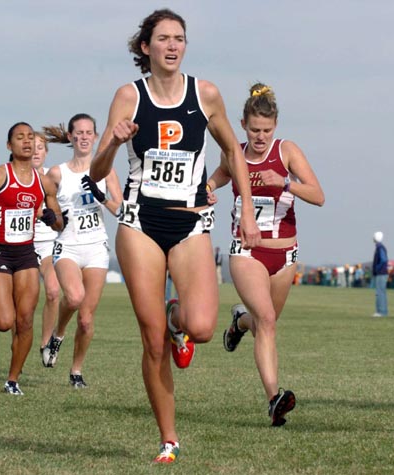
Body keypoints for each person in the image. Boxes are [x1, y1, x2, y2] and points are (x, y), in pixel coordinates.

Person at [88, 9, 261, 463]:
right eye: (163, 38)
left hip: (190, 222)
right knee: (150, 338)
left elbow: (232, 151)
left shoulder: (205, 94)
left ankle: (177, 319)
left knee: (201, 326)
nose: (172, 46)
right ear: (145, 47)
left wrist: (244, 209)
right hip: (140, 223)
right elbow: (98, 170)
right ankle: (169, 438)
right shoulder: (128, 96)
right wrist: (112, 140)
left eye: (179, 38)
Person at [205, 83, 325, 426]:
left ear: (276, 127)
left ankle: (238, 323)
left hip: (284, 254)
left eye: (267, 131)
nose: (260, 137)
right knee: (268, 321)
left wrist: (284, 182)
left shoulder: (287, 152)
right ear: (243, 125)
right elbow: (222, 175)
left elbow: (318, 196)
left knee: (262, 323)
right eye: (255, 130)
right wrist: (210, 189)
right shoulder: (234, 152)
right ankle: (274, 399)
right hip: (246, 252)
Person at [0, 122, 64, 395]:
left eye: (30, 137)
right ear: (10, 145)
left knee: (25, 320)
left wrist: (53, 219)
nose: (27, 142)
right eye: (20, 138)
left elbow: (59, 222)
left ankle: (12, 379)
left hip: (27, 253)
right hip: (0, 252)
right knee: (5, 322)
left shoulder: (44, 183)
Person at [39, 114, 122, 389]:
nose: (84, 137)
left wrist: (101, 197)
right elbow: (42, 206)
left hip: (96, 247)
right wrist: (48, 216)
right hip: (68, 245)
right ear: (72, 137)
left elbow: (121, 210)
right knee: (73, 298)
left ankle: (76, 371)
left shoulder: (107, 170)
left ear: (96, 137)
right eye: (79, 132)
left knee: (86, 321)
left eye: (89, 132)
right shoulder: (57, 173)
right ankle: (57, 335)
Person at [31, 133, 63, 368]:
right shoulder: (11, 177)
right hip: (21, 245)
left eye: (40, 147)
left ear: (46, 152)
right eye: (31, 146)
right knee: (23, 302)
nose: (35, 151)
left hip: (48, 244)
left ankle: (45, 345)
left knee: (53, 291)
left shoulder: (53, 179)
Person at [372, 231, 388, 317]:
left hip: (381, 273)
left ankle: (381, 311)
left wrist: (377, 268)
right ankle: (383, 311)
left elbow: (383, 260)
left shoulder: (380, 247)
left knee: (379, 292)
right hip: (383, 273)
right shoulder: (380, 247)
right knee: (382, 292)